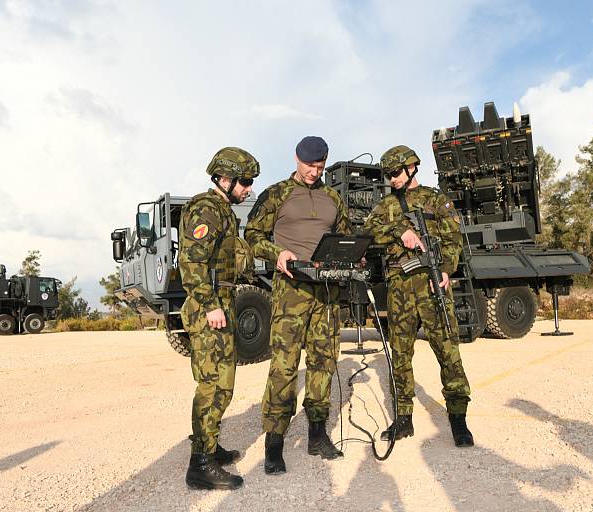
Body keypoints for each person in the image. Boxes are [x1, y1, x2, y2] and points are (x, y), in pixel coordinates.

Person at [245, 136, 351, 475]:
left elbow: (345, 236)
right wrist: (277, 254)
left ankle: (317, 435)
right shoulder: (276, 194)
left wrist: (348, 257)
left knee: (323, 362)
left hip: (327, 294)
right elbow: (252, 235)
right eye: (309, 165)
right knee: (285, 366)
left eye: (319, 166)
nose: (314, 171)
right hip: (290, 292)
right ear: (296, 159)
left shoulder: (333, 196)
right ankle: (274, 443)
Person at [363, 145, 474, 447]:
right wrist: (399, 230)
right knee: (400, 355)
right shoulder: (385, 206)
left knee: (448, 352)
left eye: (396, 173)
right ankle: (403, 418)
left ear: (412, 168)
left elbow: (454, 240)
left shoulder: (436, 200)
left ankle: (458, 418)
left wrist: (447, 269)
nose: (392, 179)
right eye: (387, 175)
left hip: (431, 286)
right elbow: (368, 231)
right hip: (399, 289)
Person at [179, 146, 258, 490]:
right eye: (244, 182)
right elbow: (192, 263)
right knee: (213, 385)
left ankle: (209, 446)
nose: (248, 188)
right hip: (208, 307)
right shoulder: (207, 210)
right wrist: (211, 304)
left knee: (223, 384)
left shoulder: (224, 211)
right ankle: (200, 465)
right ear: (224, 179)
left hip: (221, 304)